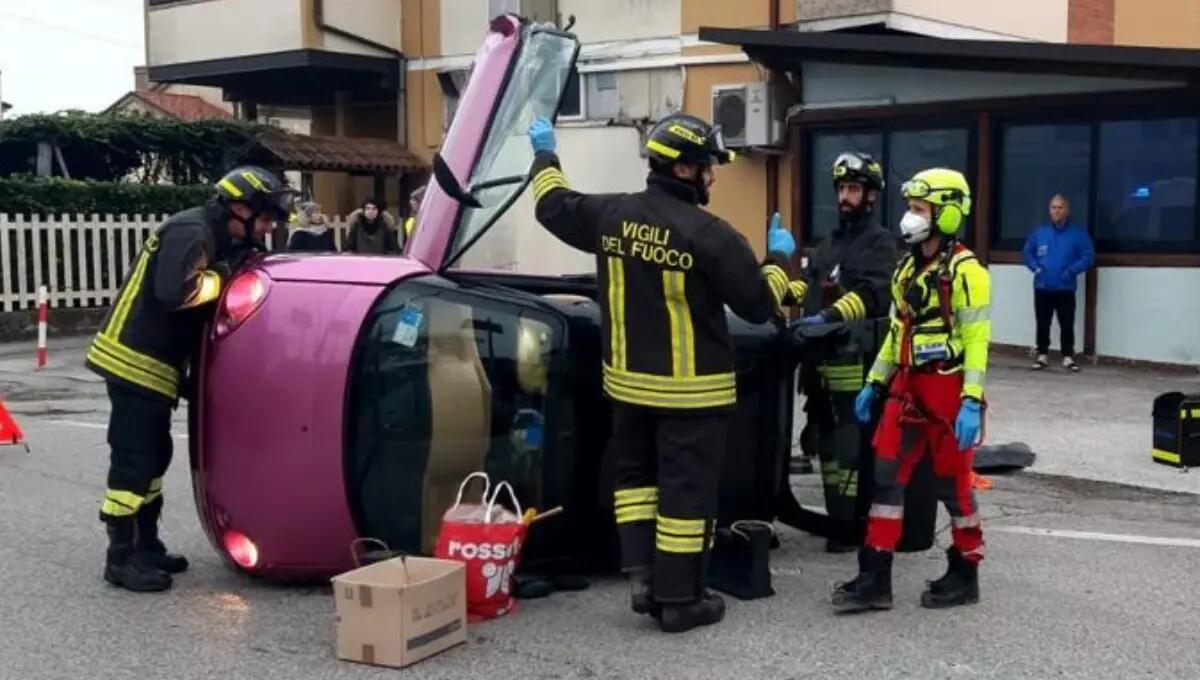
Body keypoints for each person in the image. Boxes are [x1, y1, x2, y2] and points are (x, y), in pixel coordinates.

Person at [525, 113, 802, 633]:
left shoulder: (611, 215)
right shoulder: (711, 235)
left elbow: (551, 205)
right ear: (682, 169)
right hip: (691, 395)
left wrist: (545, 154)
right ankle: (679, 601)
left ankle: (642, 580)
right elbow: (760, 305)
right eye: (706, 168)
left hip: (628, 388)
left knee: (635, 481)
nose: (712, 178)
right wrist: (780, 260)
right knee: (685, 496)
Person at [87, 166, 295, 592]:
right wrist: (223, 276)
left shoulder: (214, 233)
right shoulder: (192, 232)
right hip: (133, 360)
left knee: (155, 455)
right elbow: (175, 293)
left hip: (155, 365)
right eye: (266, 216)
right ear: (238, 207)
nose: (269, 225)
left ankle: (147, 544)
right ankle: (120, 557)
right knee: (135, 459)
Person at [836, 167, 990, 612]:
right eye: (910, 208)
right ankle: (874, 578)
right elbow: (895, 333)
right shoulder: (907, 268)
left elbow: (978, 341)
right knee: (885, 480)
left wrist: (971, 401)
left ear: (945, 214)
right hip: (905, 390)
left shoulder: (968, 273)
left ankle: (966, 571)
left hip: (946, 391)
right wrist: (874, 382)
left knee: (954, 487)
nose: (910, 217)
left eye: (920, 209)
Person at [790, 152, 898, 552]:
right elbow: (809, 286)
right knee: (827, 448)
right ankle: (837, 517)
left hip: (854, 362)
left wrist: (828, 317)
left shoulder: (883, 244)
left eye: (853, 188)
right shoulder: (828, 243)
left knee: (852, 446)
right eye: (841, 188)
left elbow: (873, 294)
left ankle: (853, 525)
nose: (845, 196)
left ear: (871, 195)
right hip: (818, 363)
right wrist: (773, 283)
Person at [1022, 194, 1094, 372]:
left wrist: (1071, 271)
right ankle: (1042, 355)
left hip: (1065, 288)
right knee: (1042, 322)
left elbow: (1088, 256)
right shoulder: (1040, 233)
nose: (1057, 211)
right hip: (1042, 287)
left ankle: (1068, 357)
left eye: (1060, 207)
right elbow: (1027, 252)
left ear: (1067, 211)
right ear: (1049, 210)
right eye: (1054, 207)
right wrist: (1035, 267)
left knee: (1067, 323)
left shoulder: (1078, 235)